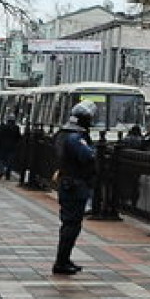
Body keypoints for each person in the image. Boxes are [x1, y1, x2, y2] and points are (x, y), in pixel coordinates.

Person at [52, 102, 97, 275]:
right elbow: (88, 156)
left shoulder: (63, 134)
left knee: (69, 224)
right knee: (71, 225)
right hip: (75, 185)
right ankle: (61, 262)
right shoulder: (75, 137)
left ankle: (64, 259)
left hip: (68, 183)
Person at [0, 115, 22, 180]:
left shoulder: (3, 127)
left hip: (2, 146)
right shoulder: (16, 128)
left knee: (0, 159)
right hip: (12, 147)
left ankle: (1, 170)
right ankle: (8, 174)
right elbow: (19, 137)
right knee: (10, 161)